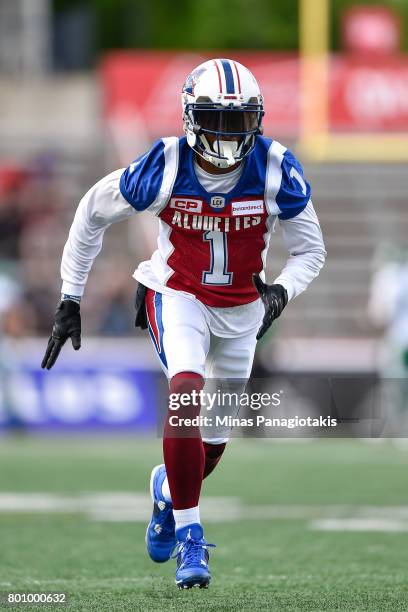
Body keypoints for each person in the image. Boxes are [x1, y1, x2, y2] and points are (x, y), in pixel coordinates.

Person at [41, 59, 326, 589]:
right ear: (191, 118)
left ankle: (167, 493)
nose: (227, 133)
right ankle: (192, 541)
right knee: (186, 392)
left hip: (243, 309)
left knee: (212, 445)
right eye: (216, 119)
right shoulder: (168, 165)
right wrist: (70, 297)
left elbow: (311, 251)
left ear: (257, 120)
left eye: (238, 121)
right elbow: (91, 211)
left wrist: (282, 291)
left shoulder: (275, 166)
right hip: (179, 295)